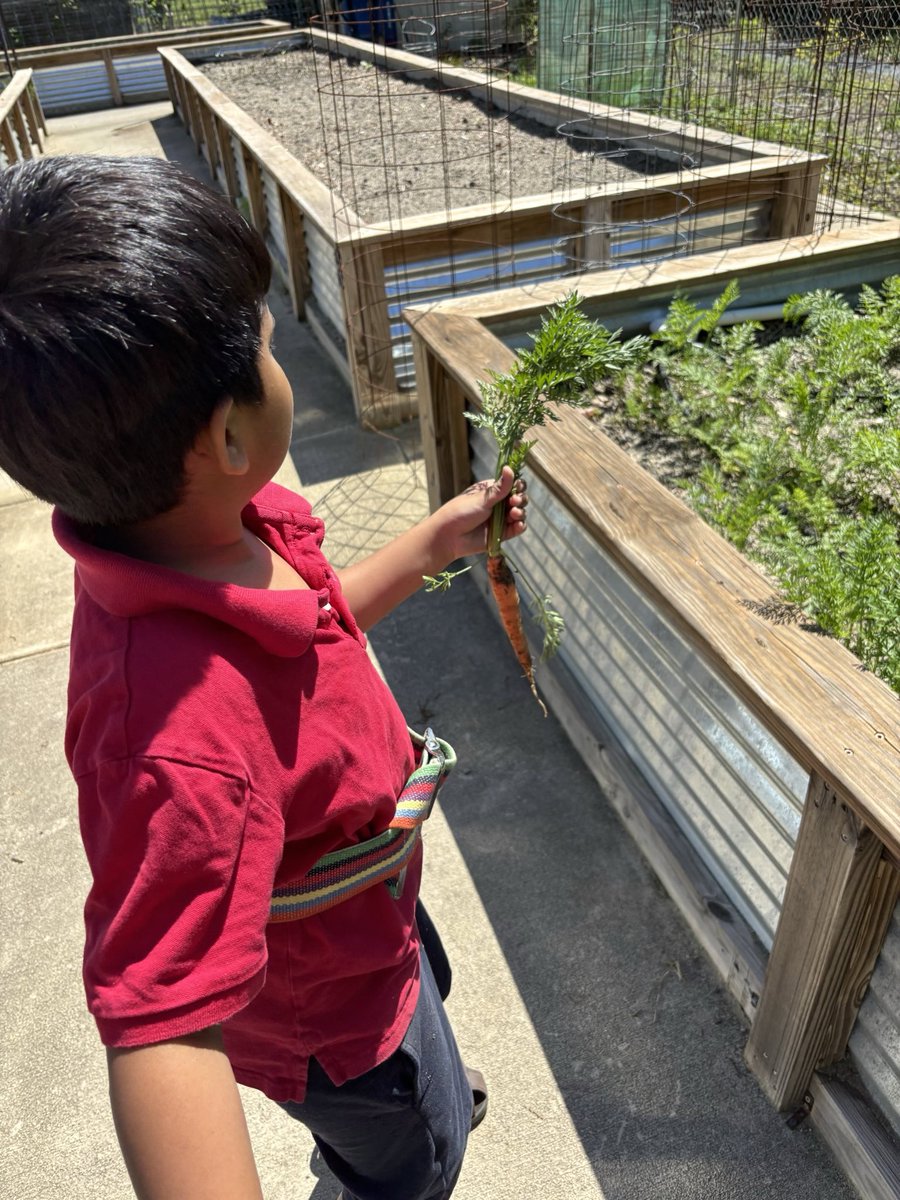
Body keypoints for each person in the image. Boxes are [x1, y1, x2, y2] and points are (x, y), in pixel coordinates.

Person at [0, 155, 528, 1200]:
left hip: (364, 907)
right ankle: (398, 1145)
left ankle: (421, 1086)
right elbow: (159, 1021)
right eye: (272, 346)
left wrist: (427, 548)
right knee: (412, 1158)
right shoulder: (175, 736)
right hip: (333, 1008)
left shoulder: (198, 532)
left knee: (428, 1001)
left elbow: (317, 624)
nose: (281, 353)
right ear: (231, 434)